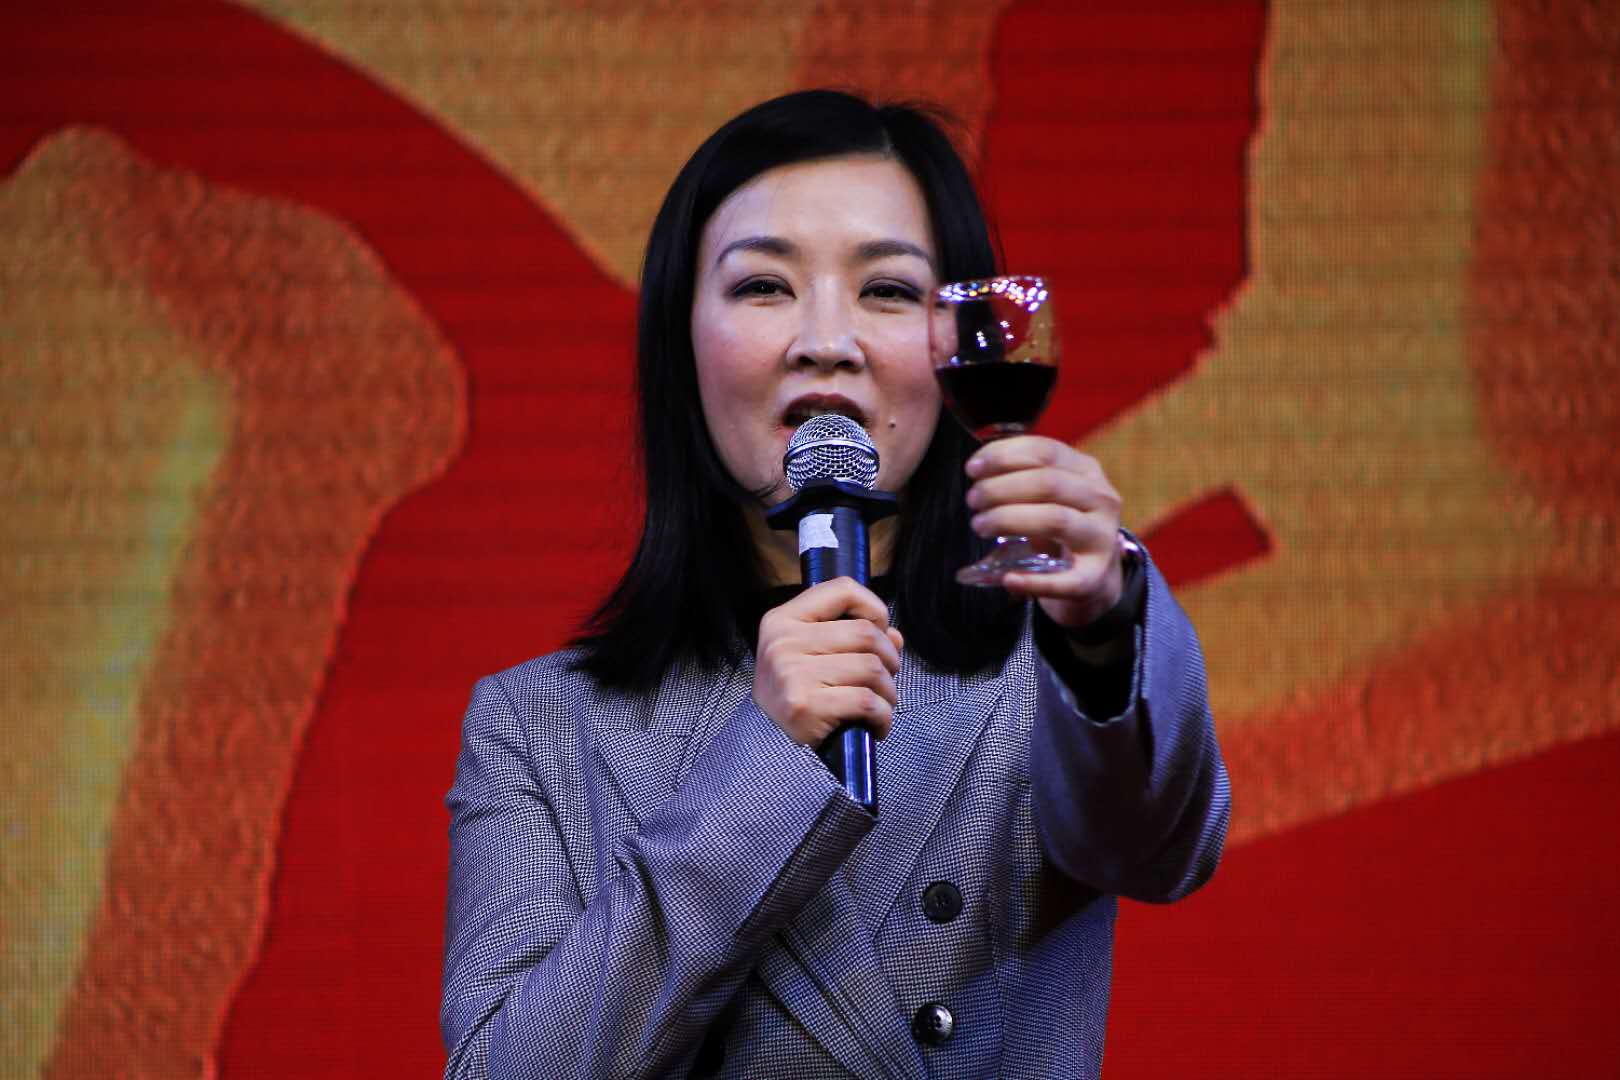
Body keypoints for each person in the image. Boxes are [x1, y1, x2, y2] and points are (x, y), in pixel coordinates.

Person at [440, 89, 1229, 1080]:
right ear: (682, 341)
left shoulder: (1051, 675)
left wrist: (1104, 630)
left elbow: (1156, 849)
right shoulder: (538, 726)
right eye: (764, 286)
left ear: (954, 345)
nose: (826, 339)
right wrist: (762, 765)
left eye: (887, 291)